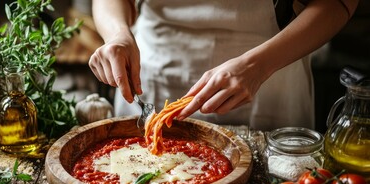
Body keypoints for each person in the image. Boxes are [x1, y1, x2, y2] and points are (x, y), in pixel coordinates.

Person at [88, 0, 359, 131]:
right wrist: (117, 34)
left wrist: (258, 66)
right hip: (155, 67)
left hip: (272, 64)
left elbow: (337, 3)